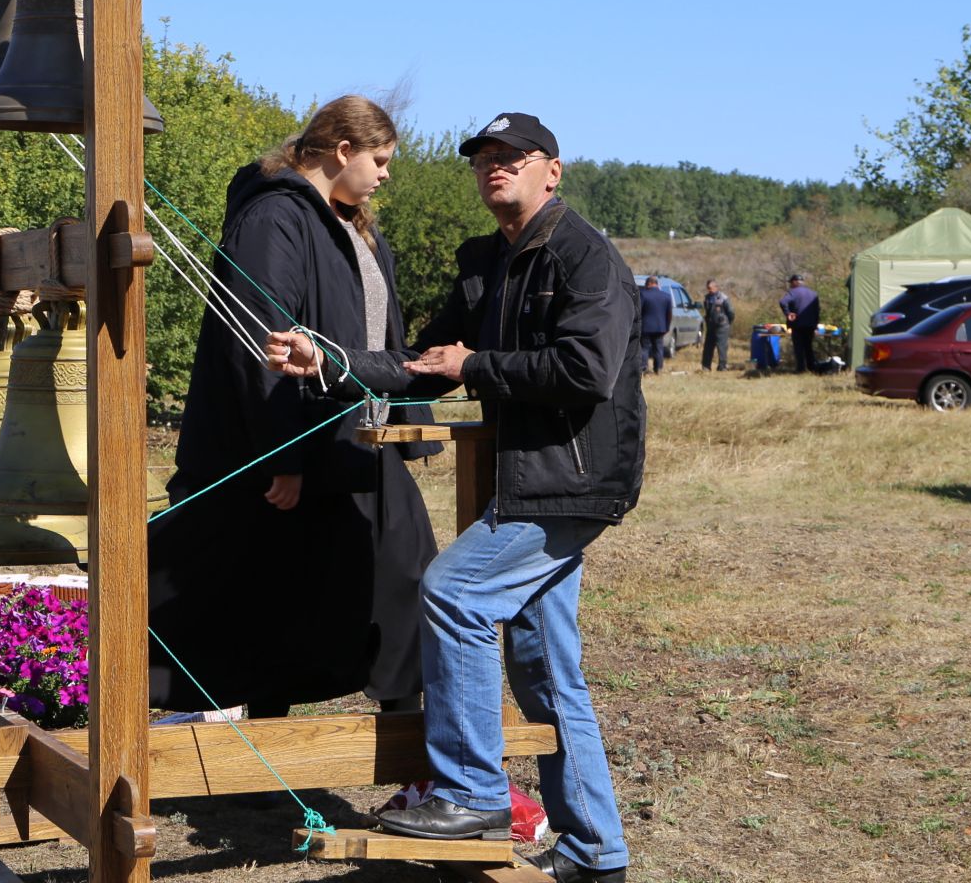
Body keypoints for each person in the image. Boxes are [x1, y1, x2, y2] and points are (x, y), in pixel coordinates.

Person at [267, 110, 642, 883]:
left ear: (553, 170)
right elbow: (420, 361)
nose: (493, 168)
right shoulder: (487, 263)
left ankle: (471, 792)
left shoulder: (584, 256)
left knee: (456, 592)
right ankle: (596, 850)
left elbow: (586, 372)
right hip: (532, 477)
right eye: (483, 159)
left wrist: (478, 366)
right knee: (543, 668)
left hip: (572, 481)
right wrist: (328, 361)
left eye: (512, 156)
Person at [147, 95, 438, 721]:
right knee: (275, 590)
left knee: (398, 576)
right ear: (342, 150)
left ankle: (406, 731)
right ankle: (274, 745)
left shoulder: (352, 223)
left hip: (359, 439)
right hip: (300, 444)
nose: (386, 174)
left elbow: (376, 333)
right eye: (380, 159)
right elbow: (256, 343)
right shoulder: (274, 218)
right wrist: (286, 454)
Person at [779, 274, 820, 373]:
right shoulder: (813, 294)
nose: (790, 285)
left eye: (790, 283)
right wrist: (816, 324)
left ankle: (801, 369)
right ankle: (812, 367)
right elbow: (817, 310)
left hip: (797, 324)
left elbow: (782, 302)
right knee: (808, 347)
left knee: (799, 347)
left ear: (794, 282)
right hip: (810, 325)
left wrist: (788, 313)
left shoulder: (793, 292)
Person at [635, 276, 672, 374]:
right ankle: (658, 368)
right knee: (658, 348)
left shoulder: (643, 295)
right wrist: (667, 326)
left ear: (649, 284)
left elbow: (638, 311)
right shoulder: (666, 296)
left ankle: (644, 367)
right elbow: (669, 314)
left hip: (646, 327)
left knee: (644, 348)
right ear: (656, 284)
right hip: (660, 327)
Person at [701, 279, 733, 371]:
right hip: (711, 326)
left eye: (711, 288)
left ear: (716, 287)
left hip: (722, 326)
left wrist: (727, 322)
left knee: (721, 347)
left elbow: (731, 312)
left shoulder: (723, 298)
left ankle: (722, 366)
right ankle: (706, 366)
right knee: (708, 347)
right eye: (708, 288)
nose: (709, 290)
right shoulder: (707, 298)